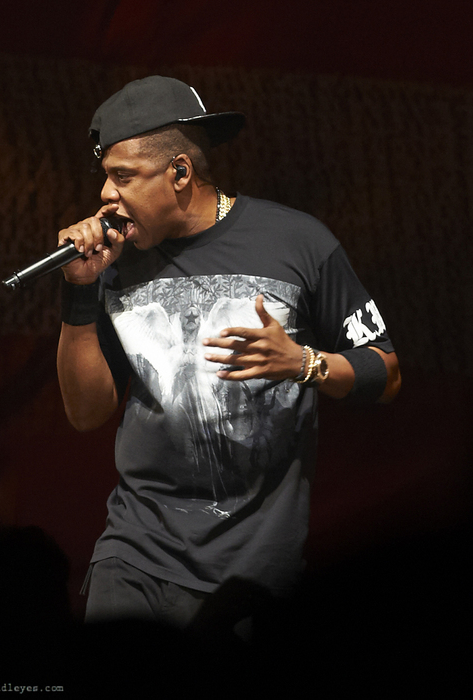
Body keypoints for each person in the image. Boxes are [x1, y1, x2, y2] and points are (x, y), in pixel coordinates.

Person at [56, 76, 400, 631]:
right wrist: (79, 290)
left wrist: (304, 363)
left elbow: (386, 372)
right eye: (106, 176)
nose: (105, 194)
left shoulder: (298, 242)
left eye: (123, 176)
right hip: (135, 556)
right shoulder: (116, 264)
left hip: (253, 575)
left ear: (179, 173)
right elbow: (85, 413)